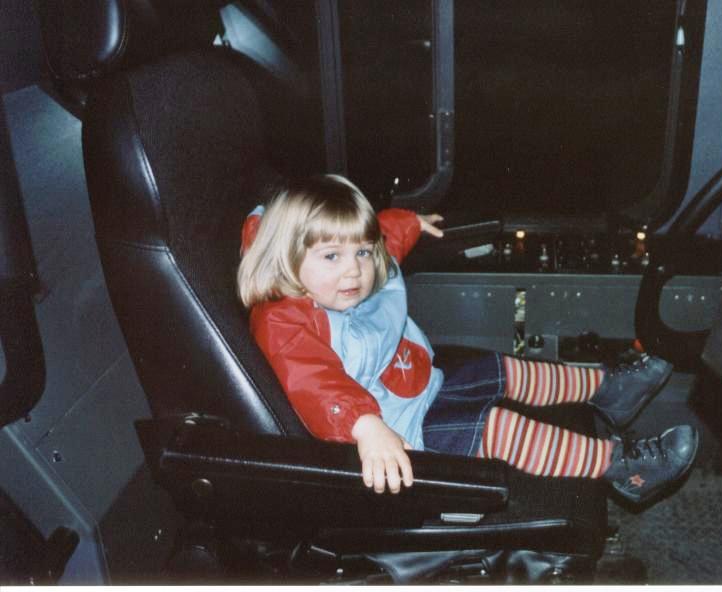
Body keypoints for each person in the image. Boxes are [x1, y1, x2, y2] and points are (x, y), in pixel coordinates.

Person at [237, 174, 698, 504]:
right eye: (332, 257)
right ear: (285, 258)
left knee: (499, 368)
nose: (354, 270)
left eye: (359, 252)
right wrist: (366, 427)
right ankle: (621, 468)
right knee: (496, 428)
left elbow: (384, 243)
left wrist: (409, 223)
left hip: (417, 382)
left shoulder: (347, 271)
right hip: (397, 432)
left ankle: (609, 389)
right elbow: (312, 382)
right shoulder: (283, 322)